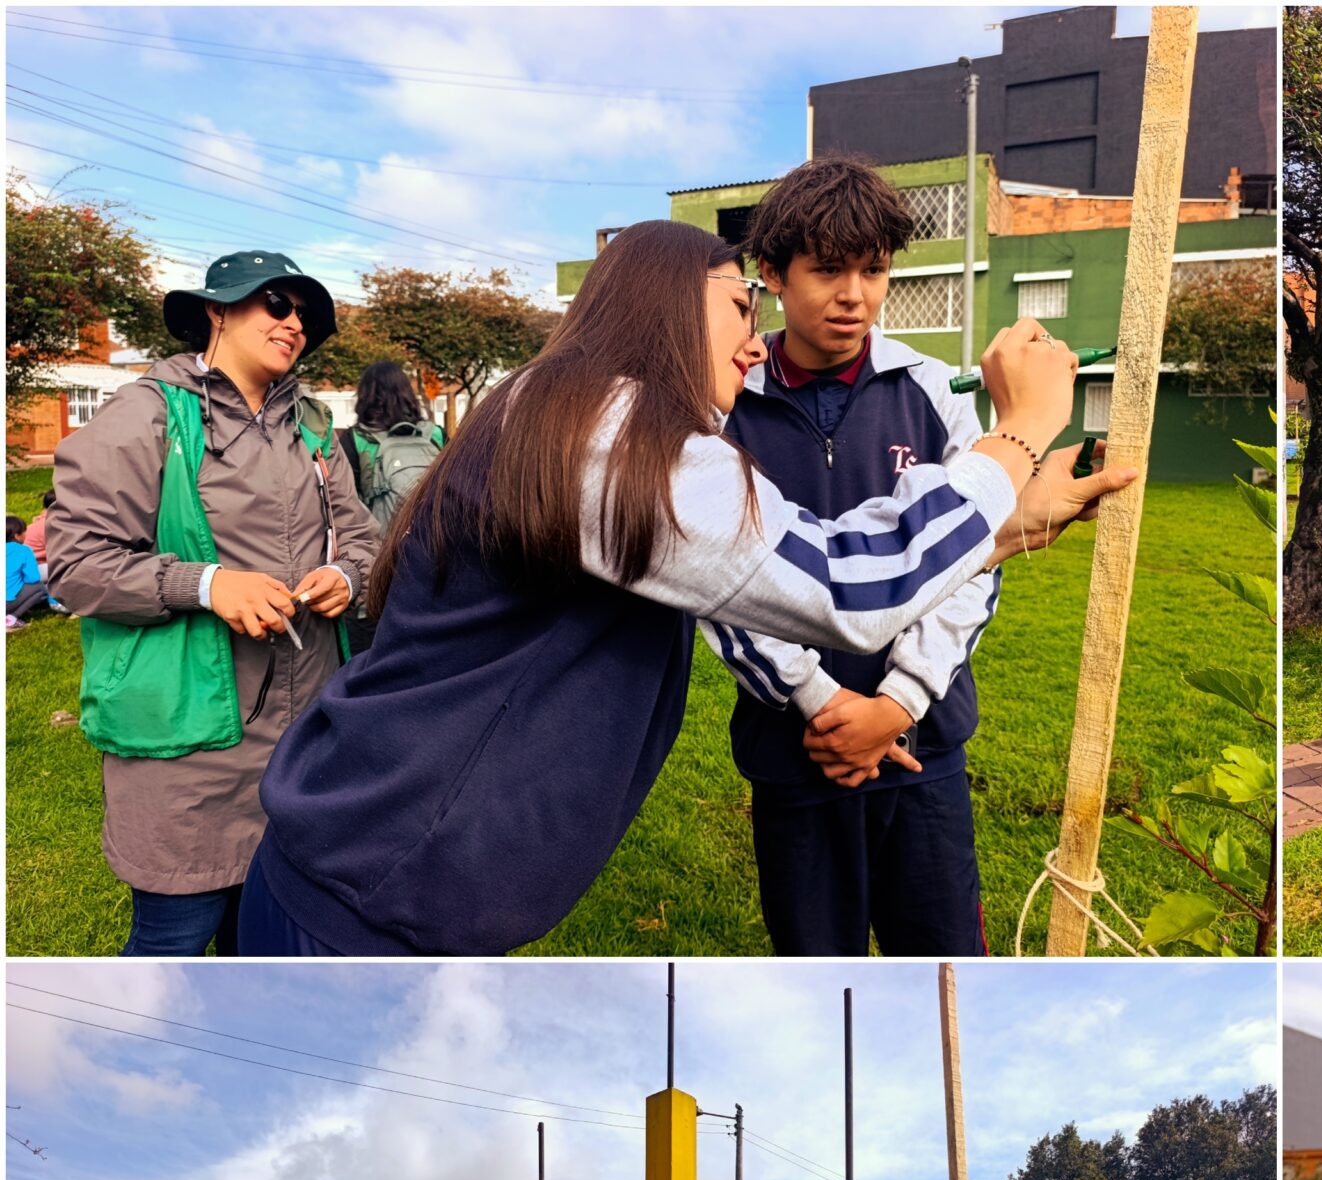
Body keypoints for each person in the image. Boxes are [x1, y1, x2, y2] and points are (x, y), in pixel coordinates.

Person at [239, 221, 1126, 956]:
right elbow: (848, 587)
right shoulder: (605, 433)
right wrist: (1023, 430)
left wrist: (1009, 521)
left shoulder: (564, 409)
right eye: (740, 309)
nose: (753, 339)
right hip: (373, 895)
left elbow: (779, 573)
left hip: (375, 873)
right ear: (659, 307)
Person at [712, 155, 1010, 956]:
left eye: (873, 270)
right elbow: (720, 582)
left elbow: (977, 553)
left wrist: (900, 703)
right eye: (829, 270)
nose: (855, 295)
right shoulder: (728, 410)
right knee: (815, 966)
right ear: (772, 272)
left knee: (944, 959)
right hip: (796, 751)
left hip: (926, 743)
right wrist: (820, 703)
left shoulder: (930, 390)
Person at [47, 248, 378, 956]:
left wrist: (347, 578)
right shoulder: (146, 416)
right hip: (188, 751)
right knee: (171, 946)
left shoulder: (315, 430)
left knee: (261, 952)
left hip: (303, 750)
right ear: (216, 311)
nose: (294, 324)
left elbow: (366, 545)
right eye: (276, 304)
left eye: (306, 316)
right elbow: (74, 565)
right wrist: (206, 584)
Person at [338, 361, 445, 656]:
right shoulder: (434, 435)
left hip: (376, 567)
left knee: (369, 657)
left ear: (365, 395)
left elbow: (345, 506)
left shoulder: (355, 440)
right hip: (429, 561)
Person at [5, 517, 49, 625]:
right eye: (24, 532)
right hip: (6, 603)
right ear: (16, 536)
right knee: (39, 588)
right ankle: (10, 618)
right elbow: (33, 578)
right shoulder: (24, 550)